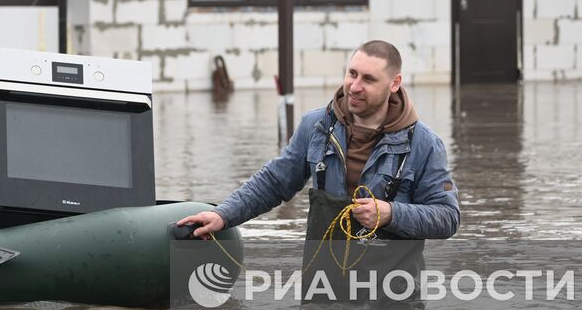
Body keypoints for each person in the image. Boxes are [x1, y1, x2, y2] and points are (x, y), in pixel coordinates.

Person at [176, 41, 459, 246]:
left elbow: (447, 217)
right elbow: (274, 183)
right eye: (352, 73)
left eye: (369, 79)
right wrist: (223, 215)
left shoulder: (424, 144)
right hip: (324, 282)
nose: (355, 86)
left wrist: (391, 214)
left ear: (394, 84)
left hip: (393, 292)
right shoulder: (316, 126)